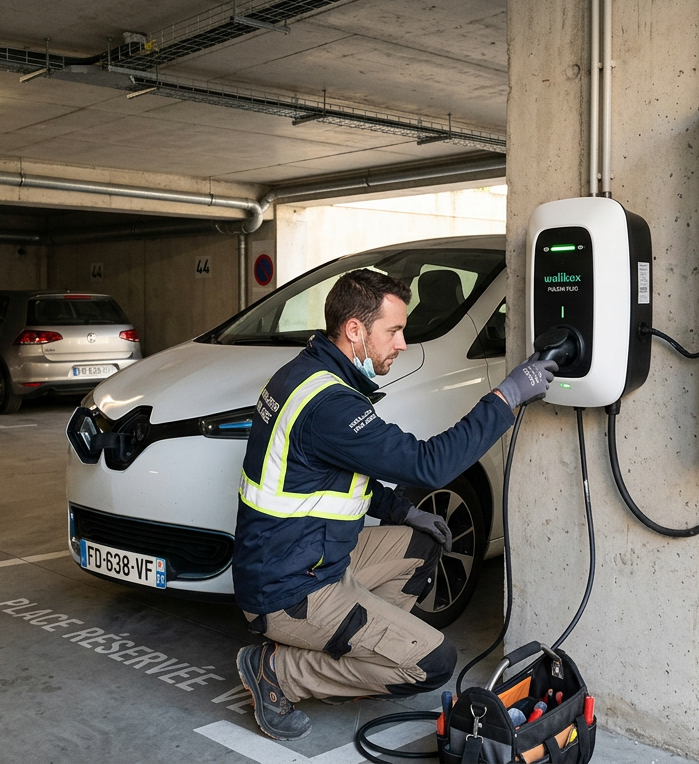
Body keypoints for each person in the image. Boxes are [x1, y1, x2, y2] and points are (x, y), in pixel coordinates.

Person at [232, 268, 558, 740]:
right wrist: (506, 397)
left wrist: (402, 510)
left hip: (305, 559)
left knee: (421, 544)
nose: (402, 343)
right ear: (354, 331)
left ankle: (361, 641)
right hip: (291, 591)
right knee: (432, 664)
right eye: (394, 331)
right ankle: (280, 672)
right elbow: (429, 465)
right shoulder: (331, 406)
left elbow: (333, 480)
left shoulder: (308, 374)